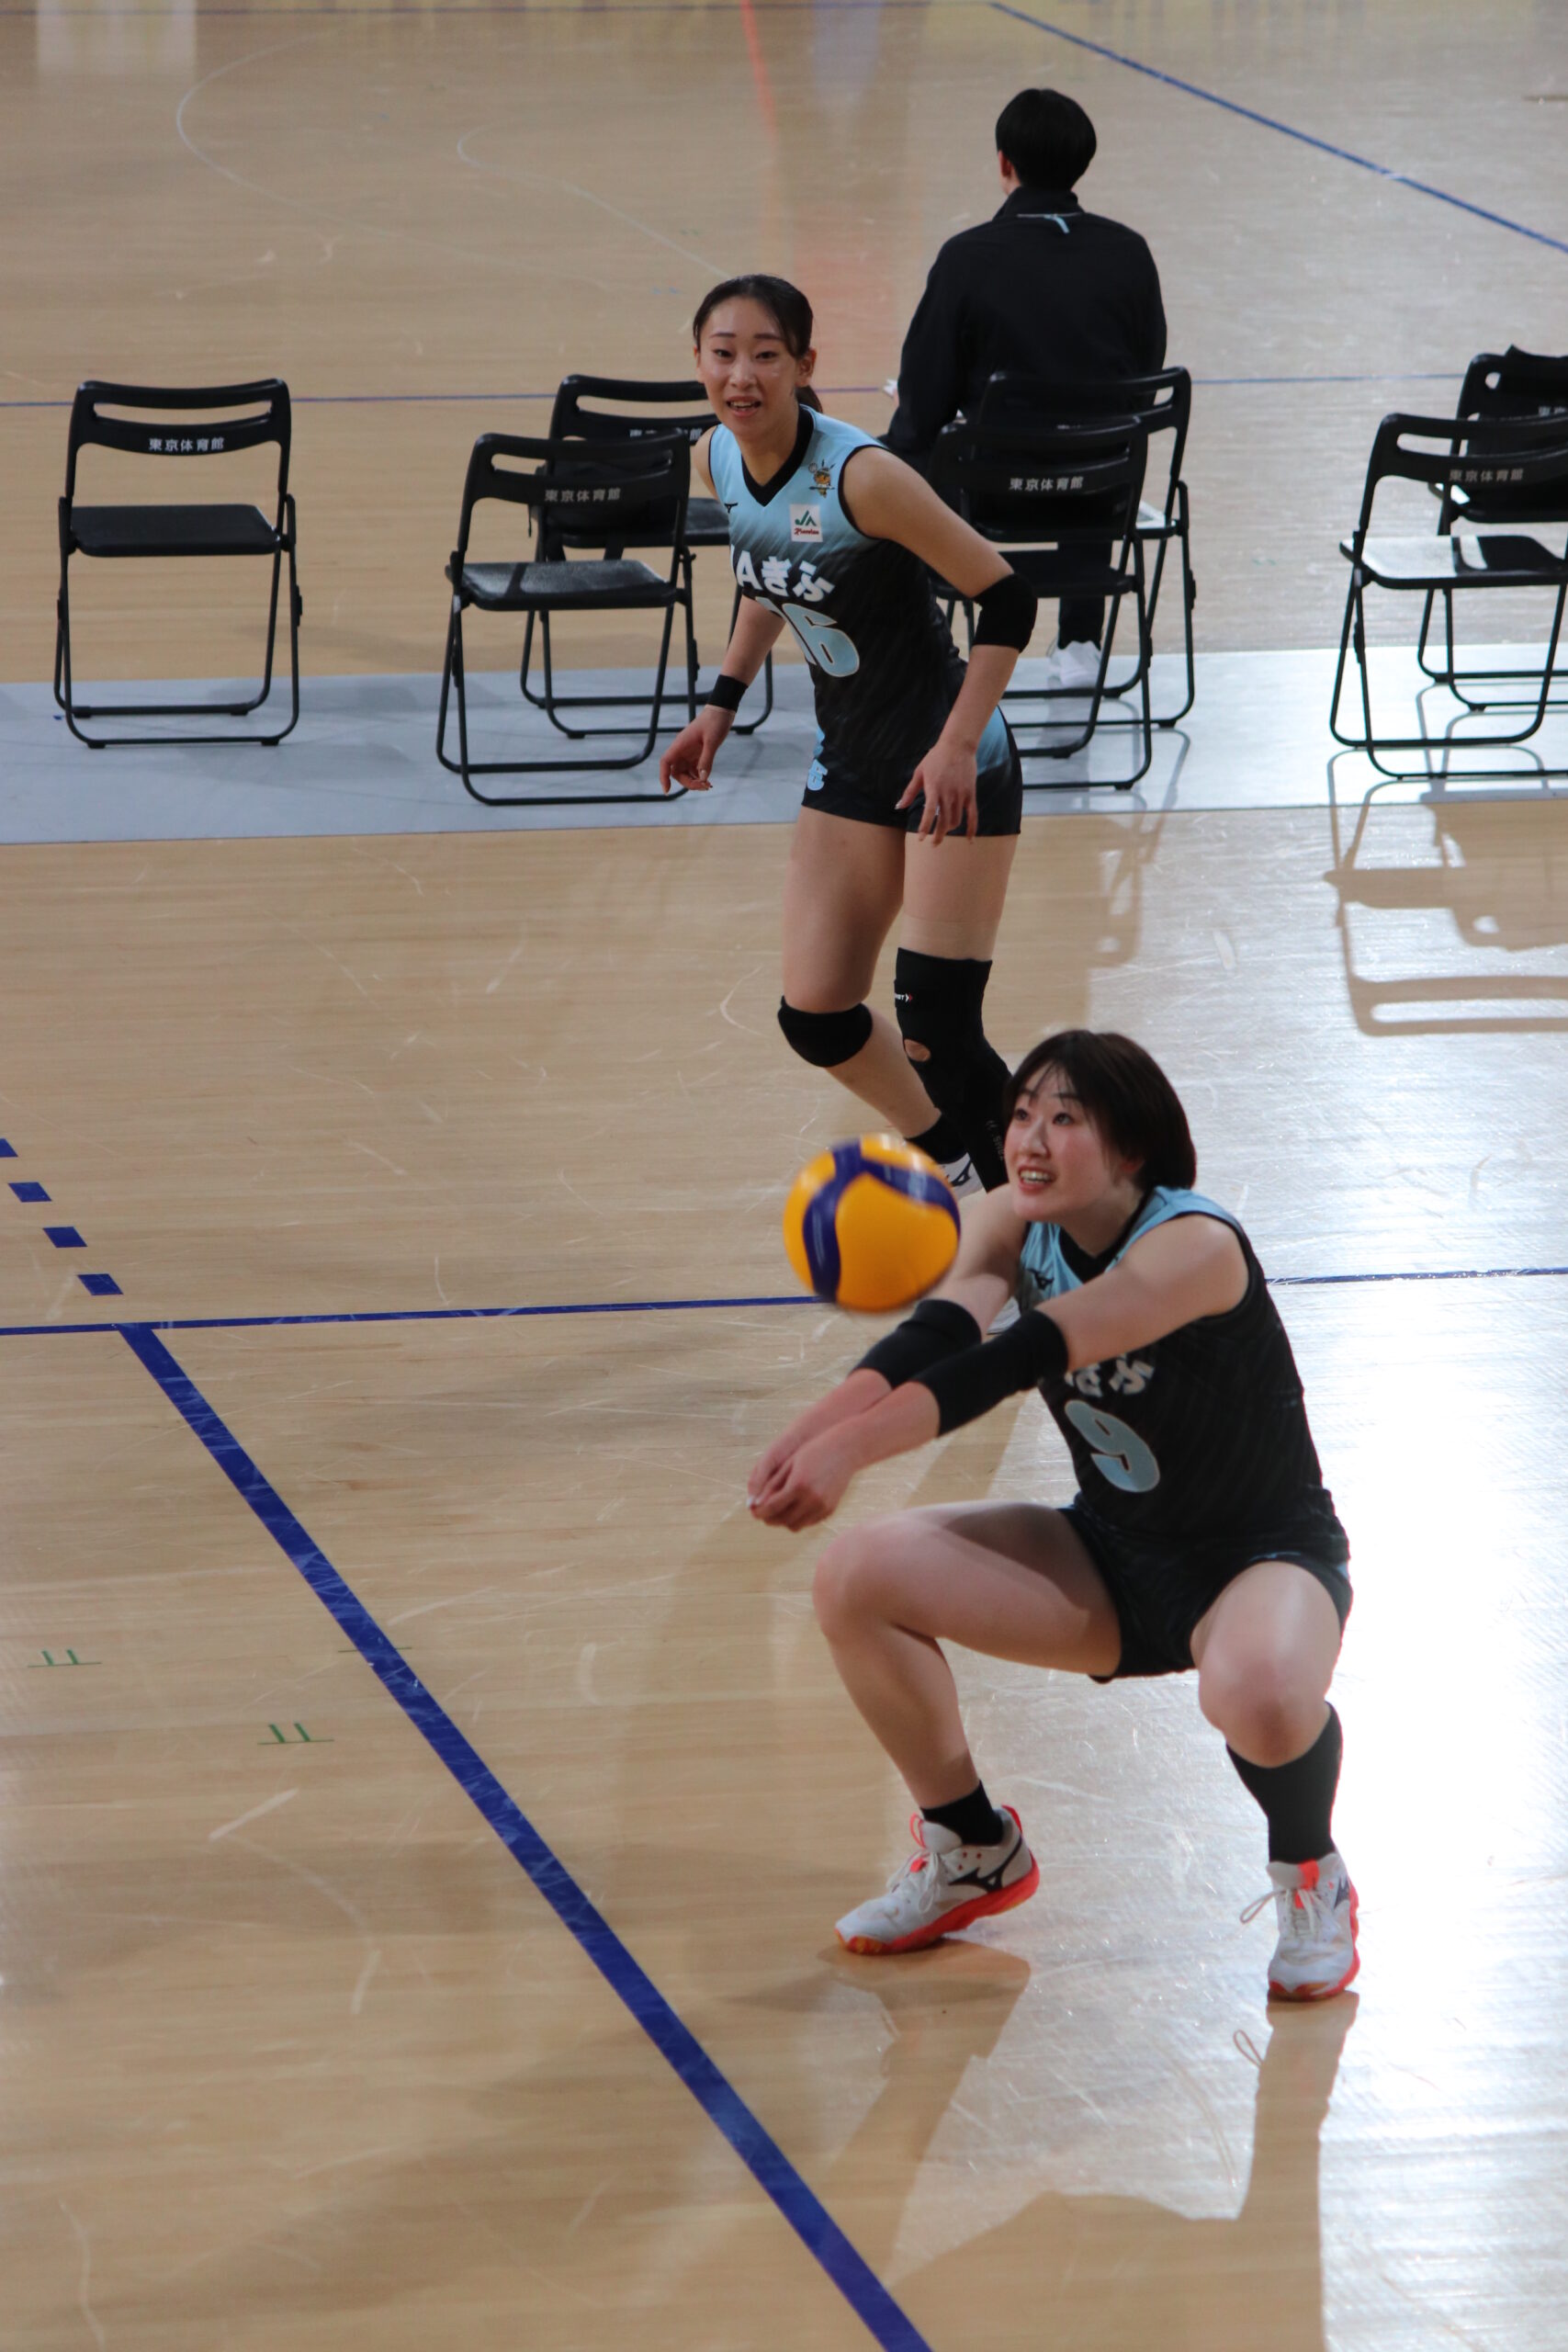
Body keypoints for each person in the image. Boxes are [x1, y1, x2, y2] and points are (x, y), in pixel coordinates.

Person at [747, 1030, 1358, 2002]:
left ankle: (1311, 1871)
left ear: (1132, 1147)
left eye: (1064, 1118)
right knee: (854, 1576)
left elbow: (1013, 1357)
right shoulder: (1007, 1220)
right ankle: (971, 1848)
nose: (1029, 1138)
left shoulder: (1193, 1246)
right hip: (1112, 1555)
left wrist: (852, 1452)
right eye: (1022, 1113)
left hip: (1262, 1559)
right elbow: (937, 1335)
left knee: (1260, 1692)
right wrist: (814, 1427)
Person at [659, 275, 1038, 1193]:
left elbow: (1008, 597)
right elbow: (767, 577)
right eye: (723, 353)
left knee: (936, 1026)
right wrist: (720, 704)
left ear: (803, 365)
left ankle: (1038, 1221)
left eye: (765, 355)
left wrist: (957, 745)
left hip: (952, 759)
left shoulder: (863, 477)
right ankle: (955, 1162)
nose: (741, 375)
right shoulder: (715, 457)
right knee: (817, 1014)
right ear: (697, 359)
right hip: (855, 759)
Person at [886, 88, 1167, 690]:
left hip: (989, 495)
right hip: (1099, 491)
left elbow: (921, 406)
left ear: (1003, 162)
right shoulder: (1129, 252)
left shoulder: (966, 257)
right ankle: (1080, 641)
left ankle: (918, 644)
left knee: (888, 461)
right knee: (1097, 436)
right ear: (1082, 163)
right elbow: (1140, 385)